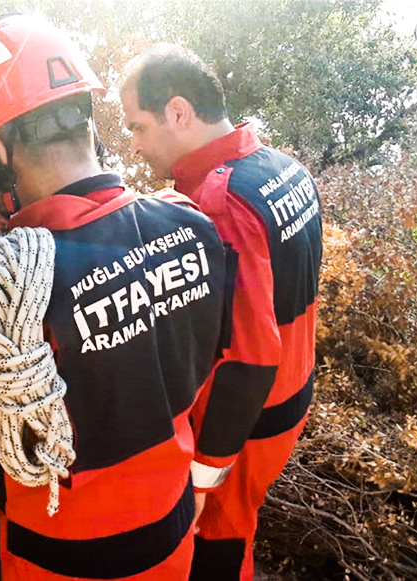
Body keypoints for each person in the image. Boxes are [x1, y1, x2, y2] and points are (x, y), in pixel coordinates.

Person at [0, 15, 229, 581]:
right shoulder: (193, 226)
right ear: (88, 120)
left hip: (62, 558)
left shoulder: (13, 295)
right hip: (170, 535)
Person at [120, 44, 323, 581]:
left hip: (245, 421)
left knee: (219, 545)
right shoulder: (283, 168)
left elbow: (247, 358)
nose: (134, 146)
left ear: (179, 112)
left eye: (138, 127)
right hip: (291, 394)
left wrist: (205, 474)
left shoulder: (222, 205)